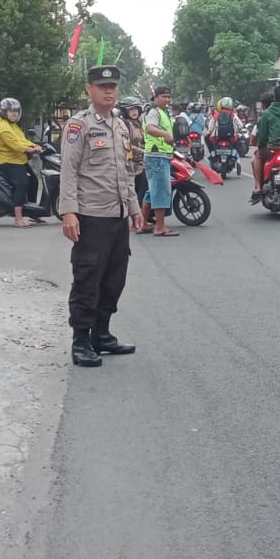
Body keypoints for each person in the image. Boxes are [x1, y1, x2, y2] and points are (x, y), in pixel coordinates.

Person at [60, 66, 146, 368]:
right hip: (90, 216)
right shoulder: (78, 125)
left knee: (114, 279)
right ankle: (81, 340)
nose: (109, 91)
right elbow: (68, 170)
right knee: (88, 278)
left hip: (118, 214)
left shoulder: (121, 125)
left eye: (113, 86)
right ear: (89, 90)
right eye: (102, 86)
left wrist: (134, 208)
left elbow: (127, 171)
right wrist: (68, 211)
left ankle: (102, 333)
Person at [0, 97, 43, 227]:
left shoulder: (13, 126)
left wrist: (35, 145)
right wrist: (30, 149)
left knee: (34, 180)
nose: (14, 113)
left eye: (16, 111)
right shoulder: (3, 128)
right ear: (4, 112)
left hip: (17, 159)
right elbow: (15, 145)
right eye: (11, 111)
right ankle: (18, 218)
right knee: (22, 184)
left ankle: (32, 212)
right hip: (7, 160)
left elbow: (22, 140)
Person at [143, 86, 181, 237]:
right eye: (164, 96)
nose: (167, 100)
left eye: (168, 97)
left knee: (152, 191)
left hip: (161, 154)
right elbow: (150, 129)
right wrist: (165, 134)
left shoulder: (163, 113)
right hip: (156, 155)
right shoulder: (154, 112)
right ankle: (159, 227)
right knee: (161, 191)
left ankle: (143, 223)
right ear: (155, 97)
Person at [120, 98, 148, 228]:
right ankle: (136, 222)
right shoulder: (125, 125)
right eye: (131, 109)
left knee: (143, 189)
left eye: (136, 109)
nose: (134, 111)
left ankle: (142, 220)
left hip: (141, 163)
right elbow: (127, 145)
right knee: (133, 192)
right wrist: (143, 150)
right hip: (130, 163)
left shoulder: (139, 124)